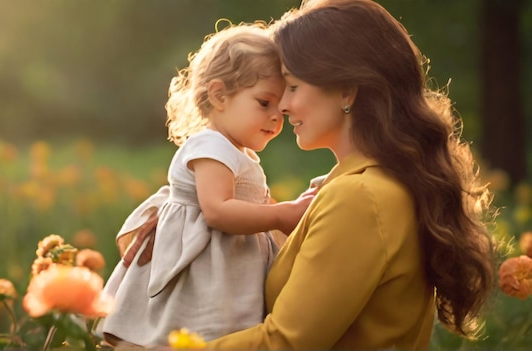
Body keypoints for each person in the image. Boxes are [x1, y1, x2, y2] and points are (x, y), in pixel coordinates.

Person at [120, 0, 498, 350]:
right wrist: (182, 219)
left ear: (347, 91)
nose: (283, 106)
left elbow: (285, 342)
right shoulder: (358, 185)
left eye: (294, 86)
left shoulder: (361, 197)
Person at [95, 21, 315, 347]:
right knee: (196, 332)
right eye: (264, 103)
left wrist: (298, 215)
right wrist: (284, 214)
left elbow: (253, 204)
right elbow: (218, 210)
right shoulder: (211, 147)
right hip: (204, 268)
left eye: (280, 109)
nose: (276, 117)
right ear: (219, 95)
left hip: (226, 267)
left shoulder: (235, 151)